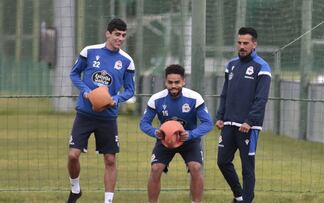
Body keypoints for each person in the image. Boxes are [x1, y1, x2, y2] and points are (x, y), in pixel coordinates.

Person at [66, 18, 135, 203]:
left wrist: (116, 99)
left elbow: (130, 90)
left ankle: (108, 201)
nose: (120, 39)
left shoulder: (127, 61)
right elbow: (74, 74)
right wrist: (86, 91)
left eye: (123, 36)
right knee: (73, 155)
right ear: (108, 33)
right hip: (85, 114)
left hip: (108, 117)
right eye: (117, 35)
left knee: (110, 160)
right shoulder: (89, 51)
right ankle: (75, 189)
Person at [139, 64, 213, 203]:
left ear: (183, 81)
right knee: (155, 169)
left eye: (177, 82)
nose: (173, 86)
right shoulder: (156, 99)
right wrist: (156, 132)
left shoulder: (194, 98)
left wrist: (190, 134)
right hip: (165, 141)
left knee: (196, 168)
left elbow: (208, 123)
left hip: (189, 141)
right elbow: (143, 123)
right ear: (165, 82)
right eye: (170, 82)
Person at [216, 27, 271, 203]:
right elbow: (225, 93)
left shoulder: (262, 67)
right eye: (239, 42)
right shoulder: (231, 65)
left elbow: (261, 99)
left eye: (246, 43)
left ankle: (247, 200)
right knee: (222, 161)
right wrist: (220, 116)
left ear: (254, 44)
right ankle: (239, 196)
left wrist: (249, 121)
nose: (242, 46)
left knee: (247, 167)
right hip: (228, 124)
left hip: (249, 126)